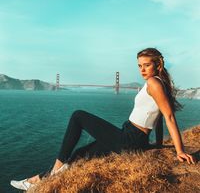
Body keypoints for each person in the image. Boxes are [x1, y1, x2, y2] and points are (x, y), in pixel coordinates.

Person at [10, 47, 196, 191]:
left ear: (158, 65)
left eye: (146, 65)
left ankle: (53, 169)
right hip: (131, 137)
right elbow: (159, 117)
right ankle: (36, 180)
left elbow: (169, 117)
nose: (142, 69)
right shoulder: (159, 83)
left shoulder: (153, 83)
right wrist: (156, 143)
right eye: (139, 65)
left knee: (78, 116)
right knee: (80, 154)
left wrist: (179, 150)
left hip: (130, 138)